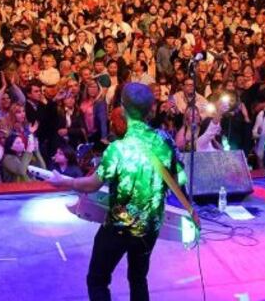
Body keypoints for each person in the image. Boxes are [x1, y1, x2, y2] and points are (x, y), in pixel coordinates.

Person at [48, 82, 194, 301]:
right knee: (138, 278)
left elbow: (93, 184)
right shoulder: (165, 140)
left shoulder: (117, 148)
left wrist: (65, 181)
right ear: (151, 109)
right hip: (150, 225)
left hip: (120, 227)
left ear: (123, 109)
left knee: (97, 280)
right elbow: (180, 177)